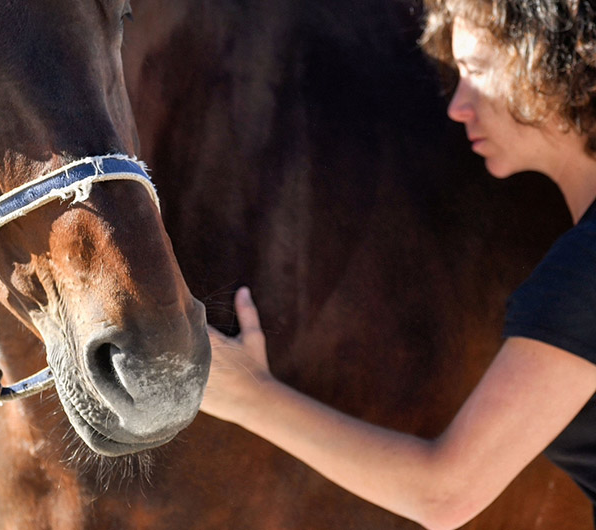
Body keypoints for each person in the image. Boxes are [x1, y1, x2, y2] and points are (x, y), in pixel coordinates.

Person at [199, 1, 596, 529]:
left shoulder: (583, 273)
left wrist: (247, 396)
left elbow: (445, 493)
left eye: (476, 70)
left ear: (553, 58)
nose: (458, 106)